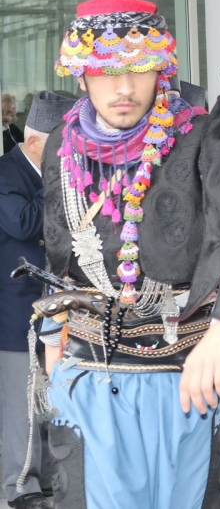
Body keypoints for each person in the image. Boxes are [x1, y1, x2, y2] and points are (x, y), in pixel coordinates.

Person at [39, 0, 220, 508]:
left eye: (141, 70)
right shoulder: (62, 145)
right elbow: (59, 252)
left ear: (162, 69)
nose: (126, 88)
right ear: (82, 74)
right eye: (109, 72)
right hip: (86, 373)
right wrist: (52, 329)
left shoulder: (203, 135)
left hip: (181, 375)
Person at [1, 91, 74, 509]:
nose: (67, 153)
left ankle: (45, 478)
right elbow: (24, 223)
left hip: (55, 305)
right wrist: (55, 179)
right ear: (34, 144)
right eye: (60, 144)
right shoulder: (6, 174)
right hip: (17, 308)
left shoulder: (47, 173)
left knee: (47, 399)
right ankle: (19, 485)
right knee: (21, 402)